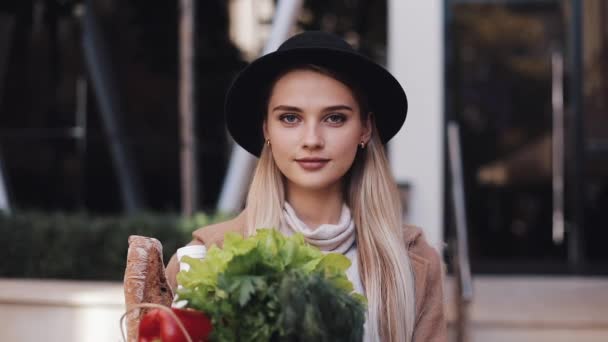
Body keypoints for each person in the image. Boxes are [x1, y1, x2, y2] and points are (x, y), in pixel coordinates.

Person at [166, 31, 446, 342]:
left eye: (335, 118)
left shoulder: (413, 263)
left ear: (365, 129)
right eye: (289, 118)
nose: (312, 140)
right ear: (266, 130)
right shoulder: (203, 260)